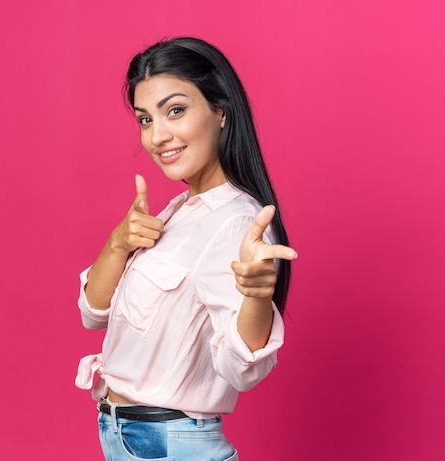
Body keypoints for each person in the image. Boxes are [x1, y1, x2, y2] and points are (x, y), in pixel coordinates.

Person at [75, 37, 297, 460]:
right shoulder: (178, 212)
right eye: (144, 119)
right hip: (129, 437)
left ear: (220, 111)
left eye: (175, 110)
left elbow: (242, 369)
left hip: (168, 444)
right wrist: (118, 242)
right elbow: (92, 314)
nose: (158, 136)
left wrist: (257, 295)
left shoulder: (234, 221)